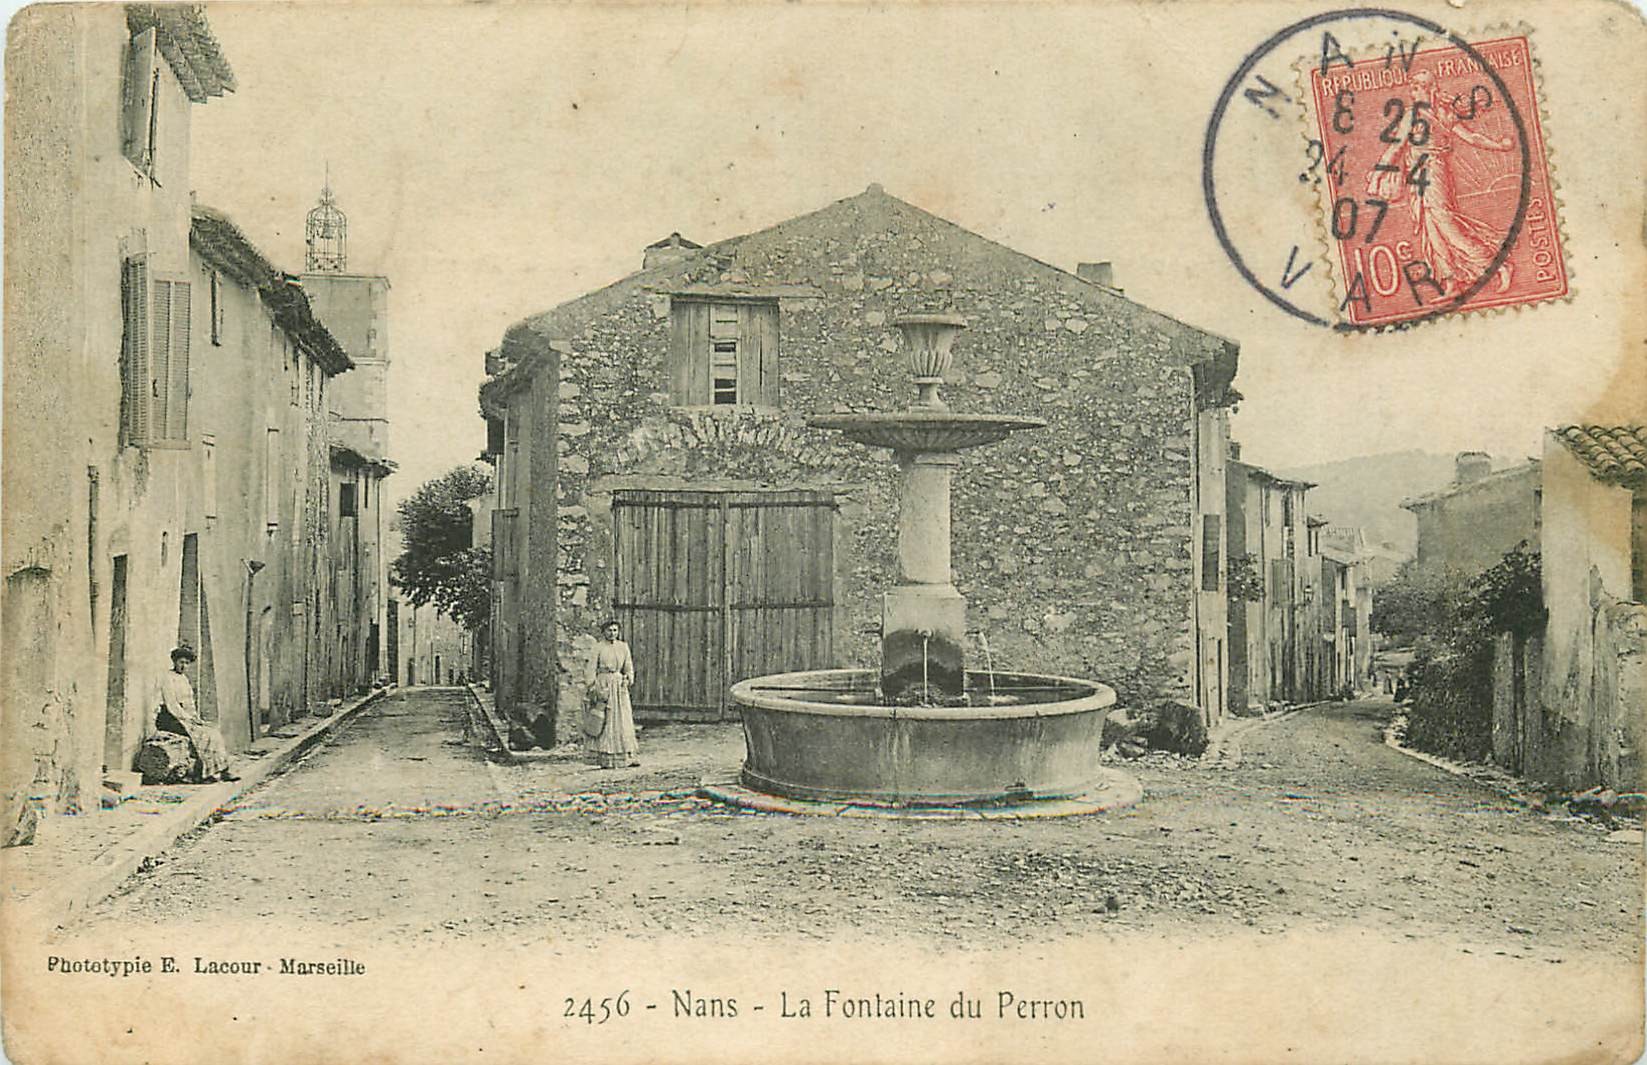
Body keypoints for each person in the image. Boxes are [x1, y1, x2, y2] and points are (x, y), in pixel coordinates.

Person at [1365, 68, 1518, 299]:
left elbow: (1470, 137)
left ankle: (1498, 265)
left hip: (1434, 173)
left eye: (1418, 87)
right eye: (1412, 86)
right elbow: (1396, 148)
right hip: (1419, 176)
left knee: (1446, 225)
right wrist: (1379, 172)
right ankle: (1450, 283)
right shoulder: (1414, 114)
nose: (1413, 91)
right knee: (1431, 228)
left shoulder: (1436, 114)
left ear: (1430, 89)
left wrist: (1500, 145)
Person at [156, 646, 239, 783]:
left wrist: (195, 718)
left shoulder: (184, 679)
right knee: (204, 736)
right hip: (170, 718)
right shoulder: (167, 678)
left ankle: (223, 771)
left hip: (185, 718)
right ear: (174, 661)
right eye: (181, 662)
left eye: (187, 663)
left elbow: (190, 703)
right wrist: (189, 720)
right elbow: (172, 705)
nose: (183, 666)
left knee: (214, 733)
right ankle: (205, 774)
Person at [583, 620, 639, 769]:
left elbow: (628, 667)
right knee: (605, 720)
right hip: (603, 684)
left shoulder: (623, 647)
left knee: (621, 719)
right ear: (604, 632)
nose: (612, 633)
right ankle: (604, 758)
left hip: (619, 686)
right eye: (609, 630)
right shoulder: (598, 647)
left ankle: (624, 756)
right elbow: (590, 669)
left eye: (615, 630)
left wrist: (628, 678)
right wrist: (593, 687)